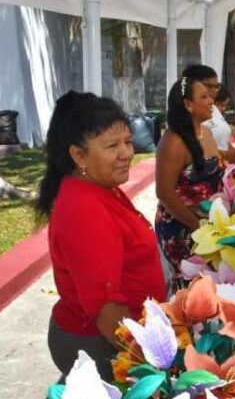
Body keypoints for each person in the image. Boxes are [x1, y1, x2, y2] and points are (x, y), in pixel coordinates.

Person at [38, 91, 167, 381]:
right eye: (112, 146)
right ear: (79, 155)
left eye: (128, 141)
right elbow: (108, 311)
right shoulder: (84, 209)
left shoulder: (101, 186)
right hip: (102, 343)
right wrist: (156, 365)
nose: (127, 153)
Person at [154, 68, 224, 274]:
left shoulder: (207, 132)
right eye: (204, 96)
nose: (211, 100)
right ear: (188, 105)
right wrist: (198, 227)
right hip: (184, 229)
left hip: (209, 228)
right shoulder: (173, 142)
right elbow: (164, 192)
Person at [187, 65, 235, 164]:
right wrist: (225, 155)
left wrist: (234, 152)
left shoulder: (213, 108)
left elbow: (220, 138)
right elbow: (195, 147)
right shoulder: (189, 112)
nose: (214, 91)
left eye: (216, 87)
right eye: (208, 86)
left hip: (221, 170)